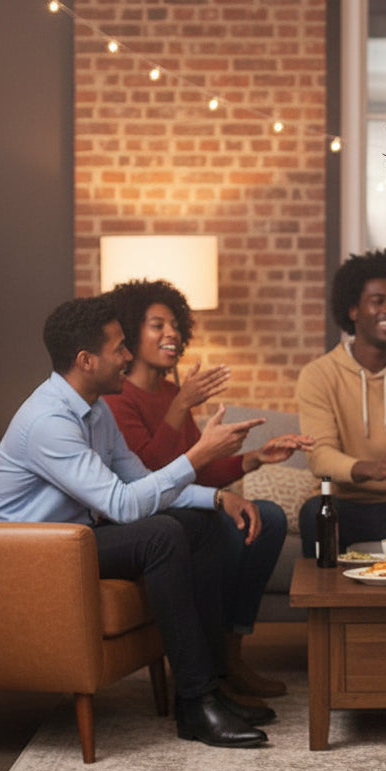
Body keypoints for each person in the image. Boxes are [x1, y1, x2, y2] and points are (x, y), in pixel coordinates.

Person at [0, 296, 275, 748]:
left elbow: (143, 482)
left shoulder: (96, 408)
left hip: (77, 539)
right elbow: (123, 505)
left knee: (195, 522)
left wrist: (217, 498)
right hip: (32, 554)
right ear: (86, 360)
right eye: (119, 347)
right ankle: (197, 700)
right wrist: (198, 456)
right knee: (162, 534)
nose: (127, 357)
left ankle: (204, 694)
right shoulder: (49, 420)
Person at [105, 278, 312, 700]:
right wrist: (182, 405)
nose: (171, 334)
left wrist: (256, 457)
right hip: (148, 517)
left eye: (175, 325)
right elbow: (151, 475)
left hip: (185, 504)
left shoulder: (168, 392)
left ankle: (231, 654)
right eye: (156, 325)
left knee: (267, 517)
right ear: (130, 331)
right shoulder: (117, 399)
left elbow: (194, 471)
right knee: (220, 529)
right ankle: (210, 666)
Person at [295, 249, 386, 554]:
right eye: (378, 301)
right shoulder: (319, 375)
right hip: (346, 506)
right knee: (314, 513)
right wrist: (370, 468)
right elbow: (319, 456)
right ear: (353, 310)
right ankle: (324, 601)